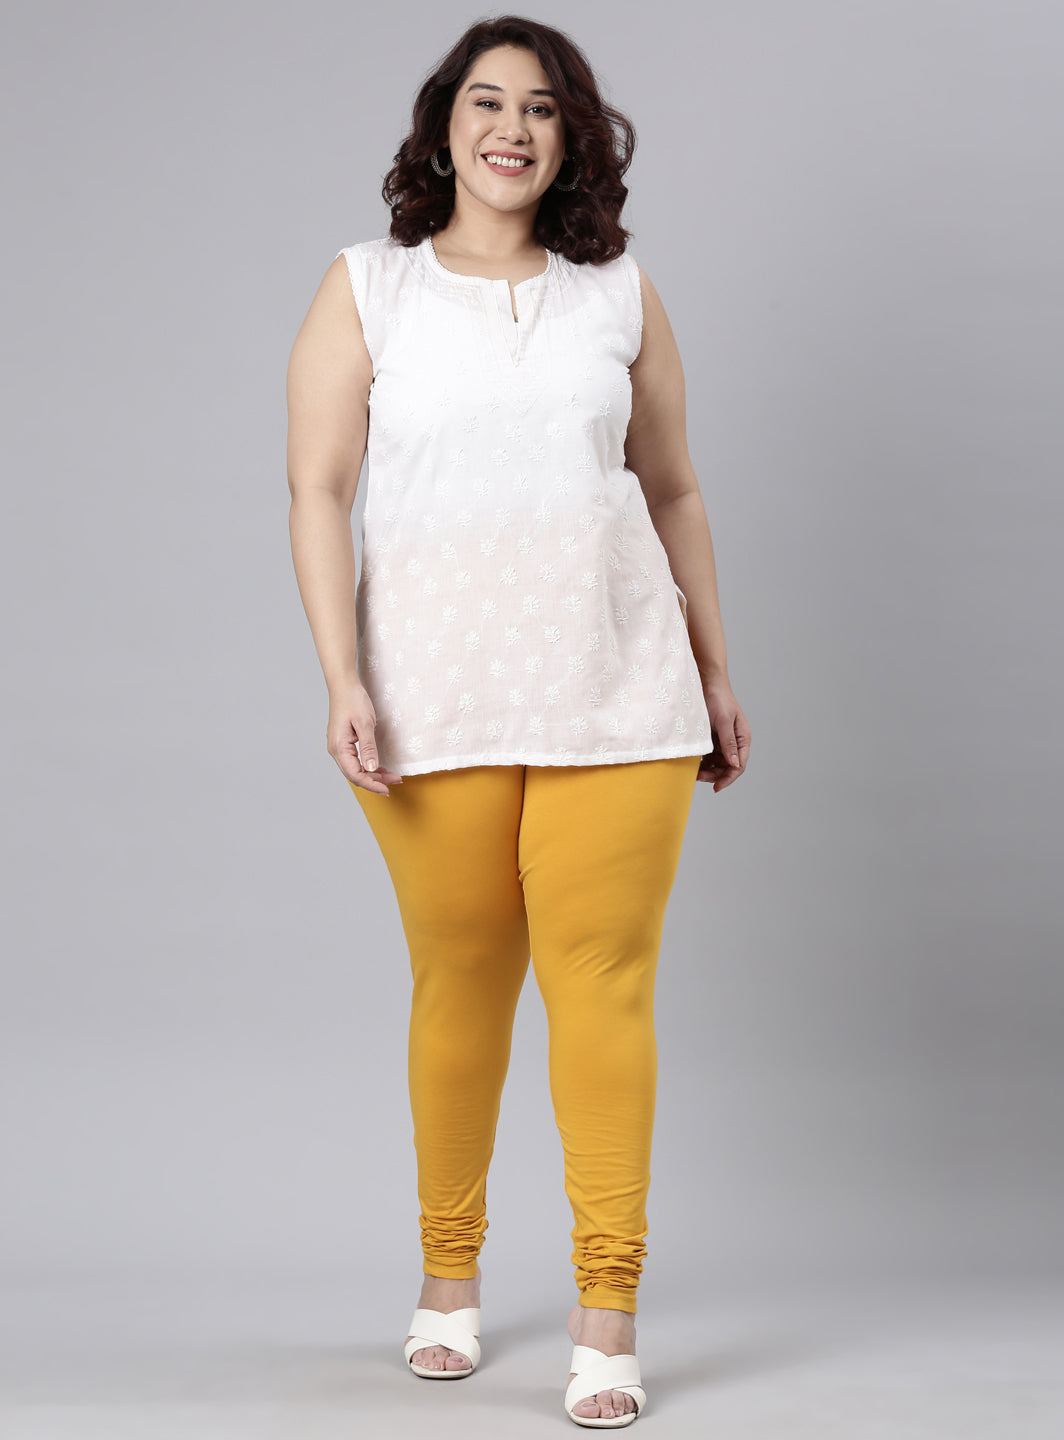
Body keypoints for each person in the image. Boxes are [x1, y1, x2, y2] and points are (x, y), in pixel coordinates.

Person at [286, 14, 750, 1428]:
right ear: (444, 127)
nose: (512, 128)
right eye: (487, 103)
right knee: (462, 981)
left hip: (622, 689)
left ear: (572, 139)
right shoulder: (367, 288)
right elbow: (318, 489)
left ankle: (608, 1308)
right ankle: (449, 1277)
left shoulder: (621, 294)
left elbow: (673, 488)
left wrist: (716, 669)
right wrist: (343, 677)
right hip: (429, 699)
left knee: (604, 986)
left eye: (542, 109)